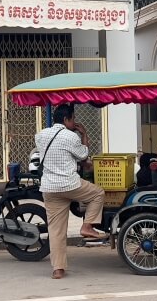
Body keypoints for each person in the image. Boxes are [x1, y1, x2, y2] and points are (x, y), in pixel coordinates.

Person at [34, 104, 107, 280]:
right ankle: (87, 225)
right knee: (98, 193)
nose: (74, 122)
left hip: (49, 188)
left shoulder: (40, 135)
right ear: (67, 119)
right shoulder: (71, 136)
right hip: (70, 185)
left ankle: (58, 269)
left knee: (56, 231)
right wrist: (84, 134)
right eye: (73, 119)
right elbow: (83, 155)